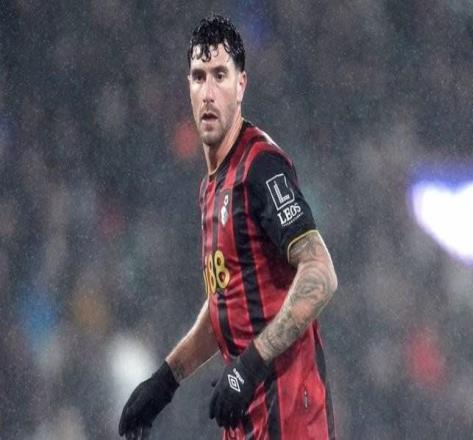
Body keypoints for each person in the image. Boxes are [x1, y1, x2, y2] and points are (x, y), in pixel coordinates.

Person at [118, 14, 338, 440]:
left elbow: (321, 273)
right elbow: (226, 301)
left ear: (241, 85)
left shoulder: (261, 166)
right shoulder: (211, 187)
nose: (208, 91)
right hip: (246, 421)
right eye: (199, 77)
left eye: (220, 75)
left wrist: (251, 364)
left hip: (290, 419)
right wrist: (166, 380)